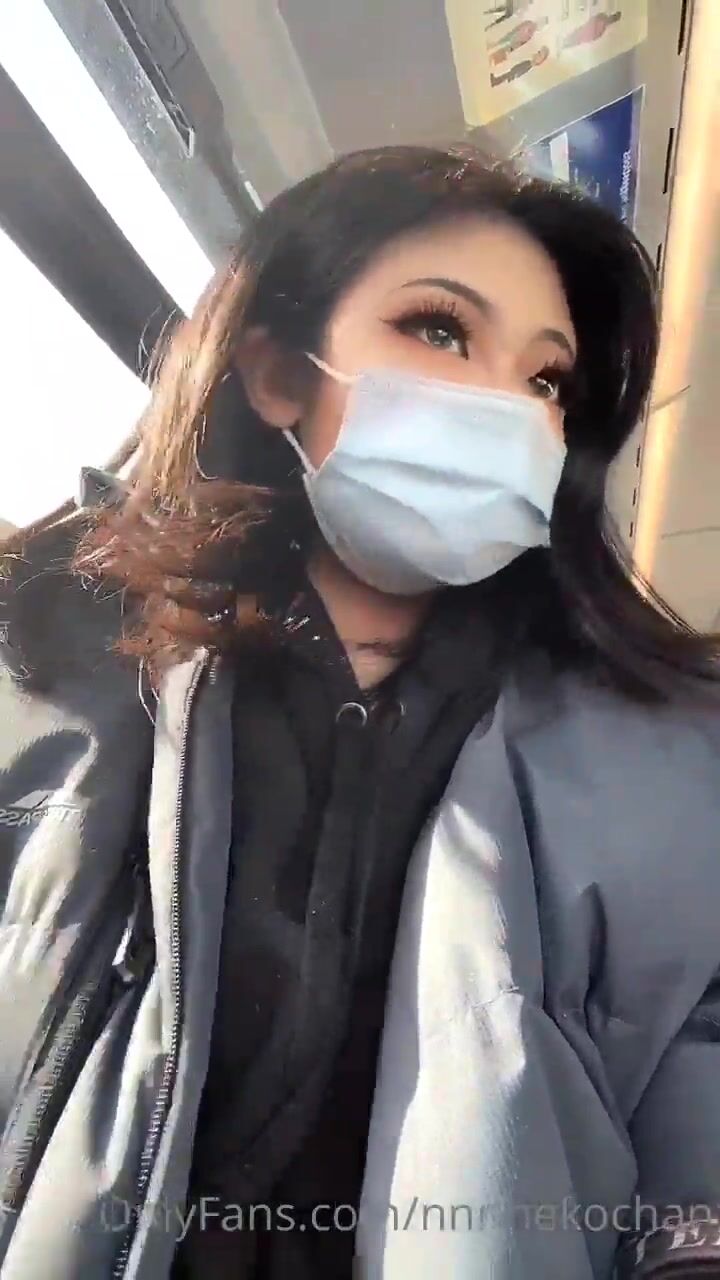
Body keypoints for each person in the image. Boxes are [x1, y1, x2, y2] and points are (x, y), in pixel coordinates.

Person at [0, 143, 719, 1280]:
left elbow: (696, 1064)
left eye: (548, 381)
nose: (508, 404)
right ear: (278, 374)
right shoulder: (47, 666)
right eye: (439, 328)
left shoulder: (662, 753)